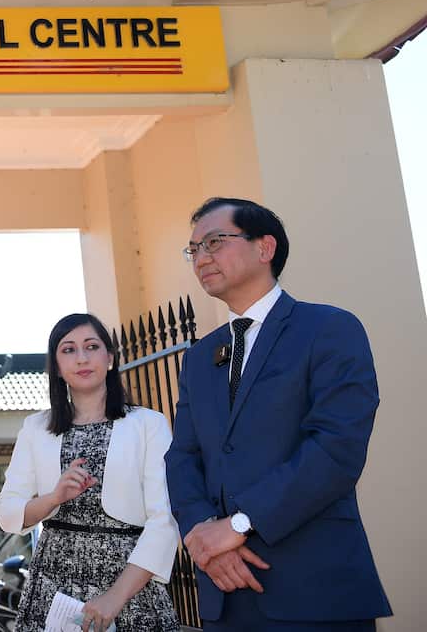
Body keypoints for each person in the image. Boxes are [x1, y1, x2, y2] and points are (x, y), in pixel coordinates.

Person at [165, 197, 391, 630]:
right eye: (193, 250)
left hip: (315, 592)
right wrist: (202, 534)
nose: (201, 258)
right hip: (224, 593)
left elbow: (336, 449)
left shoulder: (329, 329)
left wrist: (240, 524)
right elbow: (182, 458)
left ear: (265, 248)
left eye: (214, 242)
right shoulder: (199, 357)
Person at [0, 312, 180, 632]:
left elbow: (165, 519)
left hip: (130, 584)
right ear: (56, 365)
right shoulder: (35, 428)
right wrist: (53, 498)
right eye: (68, 350)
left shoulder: (149, 424)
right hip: (52, 585)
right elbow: (7, 509)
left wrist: (114, 598)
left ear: (109, 357)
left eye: (91, 346)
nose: (81, 358)